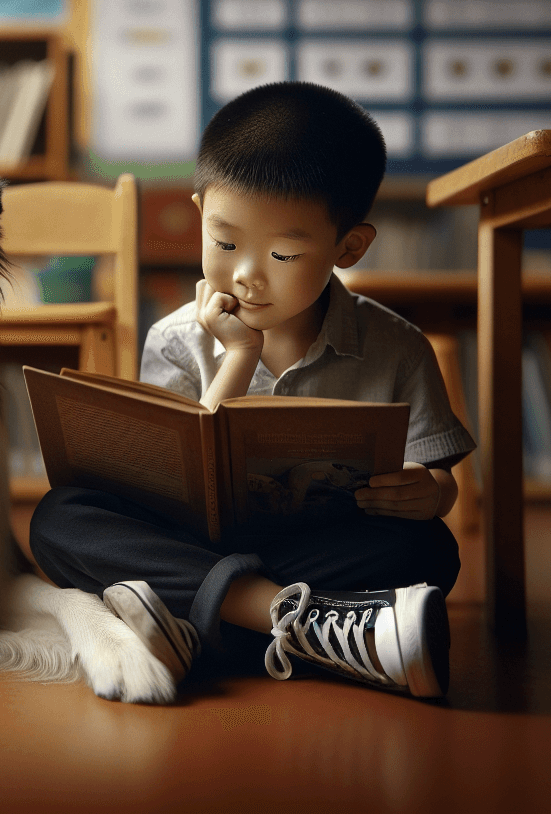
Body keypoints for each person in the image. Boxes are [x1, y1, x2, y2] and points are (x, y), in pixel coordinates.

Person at [27, 82, 475, 699]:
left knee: (429, 549)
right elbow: (173, 473)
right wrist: (240, 354)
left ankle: (195, 629)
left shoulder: (395, 345)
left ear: (349, 247)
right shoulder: (178, 339)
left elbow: (440, 478)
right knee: (59, 519)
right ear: (199, 211)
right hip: (188, 541)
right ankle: (312, 628)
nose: (246, 273)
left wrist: (427, 493)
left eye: (285, 254)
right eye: (225, 241)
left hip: (309, 546)